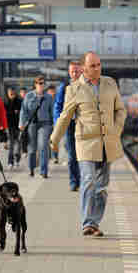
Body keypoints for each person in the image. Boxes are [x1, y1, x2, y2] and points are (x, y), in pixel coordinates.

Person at [50, 52, 127, 237]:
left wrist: (115, 131)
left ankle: (95, 222)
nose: (97, 68)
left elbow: (120, 110)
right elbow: (65, 116)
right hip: (86, 142)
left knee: (102, 186)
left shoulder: (110, 83)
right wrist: (54, 139)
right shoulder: (73, 89)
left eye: (99, 64)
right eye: (93, 65)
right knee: (88, 180)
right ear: (84, 68)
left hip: (107, 143)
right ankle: (87, 222)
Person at [53, 60, 83, 191]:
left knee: (84, 155)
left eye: (77, 71)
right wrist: (57, 124)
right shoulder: (63, 87)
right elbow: (58, 106)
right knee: (71, 155)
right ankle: (73, 181)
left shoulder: (88, 85)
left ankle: (83, 181)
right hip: (70, 125)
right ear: (69, 72)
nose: (75, 73)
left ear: (81, 70)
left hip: (84, 125)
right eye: (72, 71)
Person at [19, 76, 53, 178]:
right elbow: (23, 110)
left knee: (43, 146)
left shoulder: (48, 97)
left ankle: (44, 171)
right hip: (32, 124)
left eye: (42, 83)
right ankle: (31, 168)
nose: (40, 85)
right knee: (32, 148)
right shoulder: (29, 96)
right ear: (35, 84)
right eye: (39, 83)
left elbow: (52, 111)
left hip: (45, 124)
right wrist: (21, 123)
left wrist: (54, 125)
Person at [5, 87, 22, 169]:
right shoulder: (5, 102)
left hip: (18, 126)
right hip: (10, 126)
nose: (11, 94)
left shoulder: (19, 102)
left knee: (18, 144)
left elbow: (21, 113)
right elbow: (5, 115)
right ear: (8, 93)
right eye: (10, 93)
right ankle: (10, 161)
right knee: (11, 145)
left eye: (13, 92)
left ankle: (17, 160)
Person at [46, 84, 59, 164]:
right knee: (48, 140)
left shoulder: (57, 99)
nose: (52, 93)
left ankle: (55, 156)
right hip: (47, 123)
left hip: (56, 123)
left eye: (53, 91)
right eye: (50, 91)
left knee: (54, 141)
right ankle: (49, 156)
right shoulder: (45, 99)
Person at [18, 87, 28, 157]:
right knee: (20, 138)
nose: (23, 94)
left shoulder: (29, 100)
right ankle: (21, 151)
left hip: (27, 122)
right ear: (20, 93)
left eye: (25, 93)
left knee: (25, 136)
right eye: (22, 93)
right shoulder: (18, 101)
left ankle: (25, 150)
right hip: (18, 123)